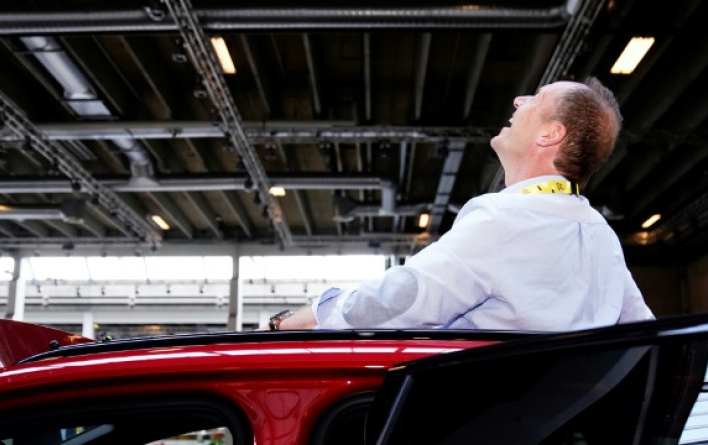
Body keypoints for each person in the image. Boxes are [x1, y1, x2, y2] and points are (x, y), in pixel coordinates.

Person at [270, 77, 653, 331]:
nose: (519, 100)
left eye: (535, 99)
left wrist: (292, 321)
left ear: (550, 134)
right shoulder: (601, 235)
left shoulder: (503, 219)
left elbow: (398, 299)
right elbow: (642, 333)